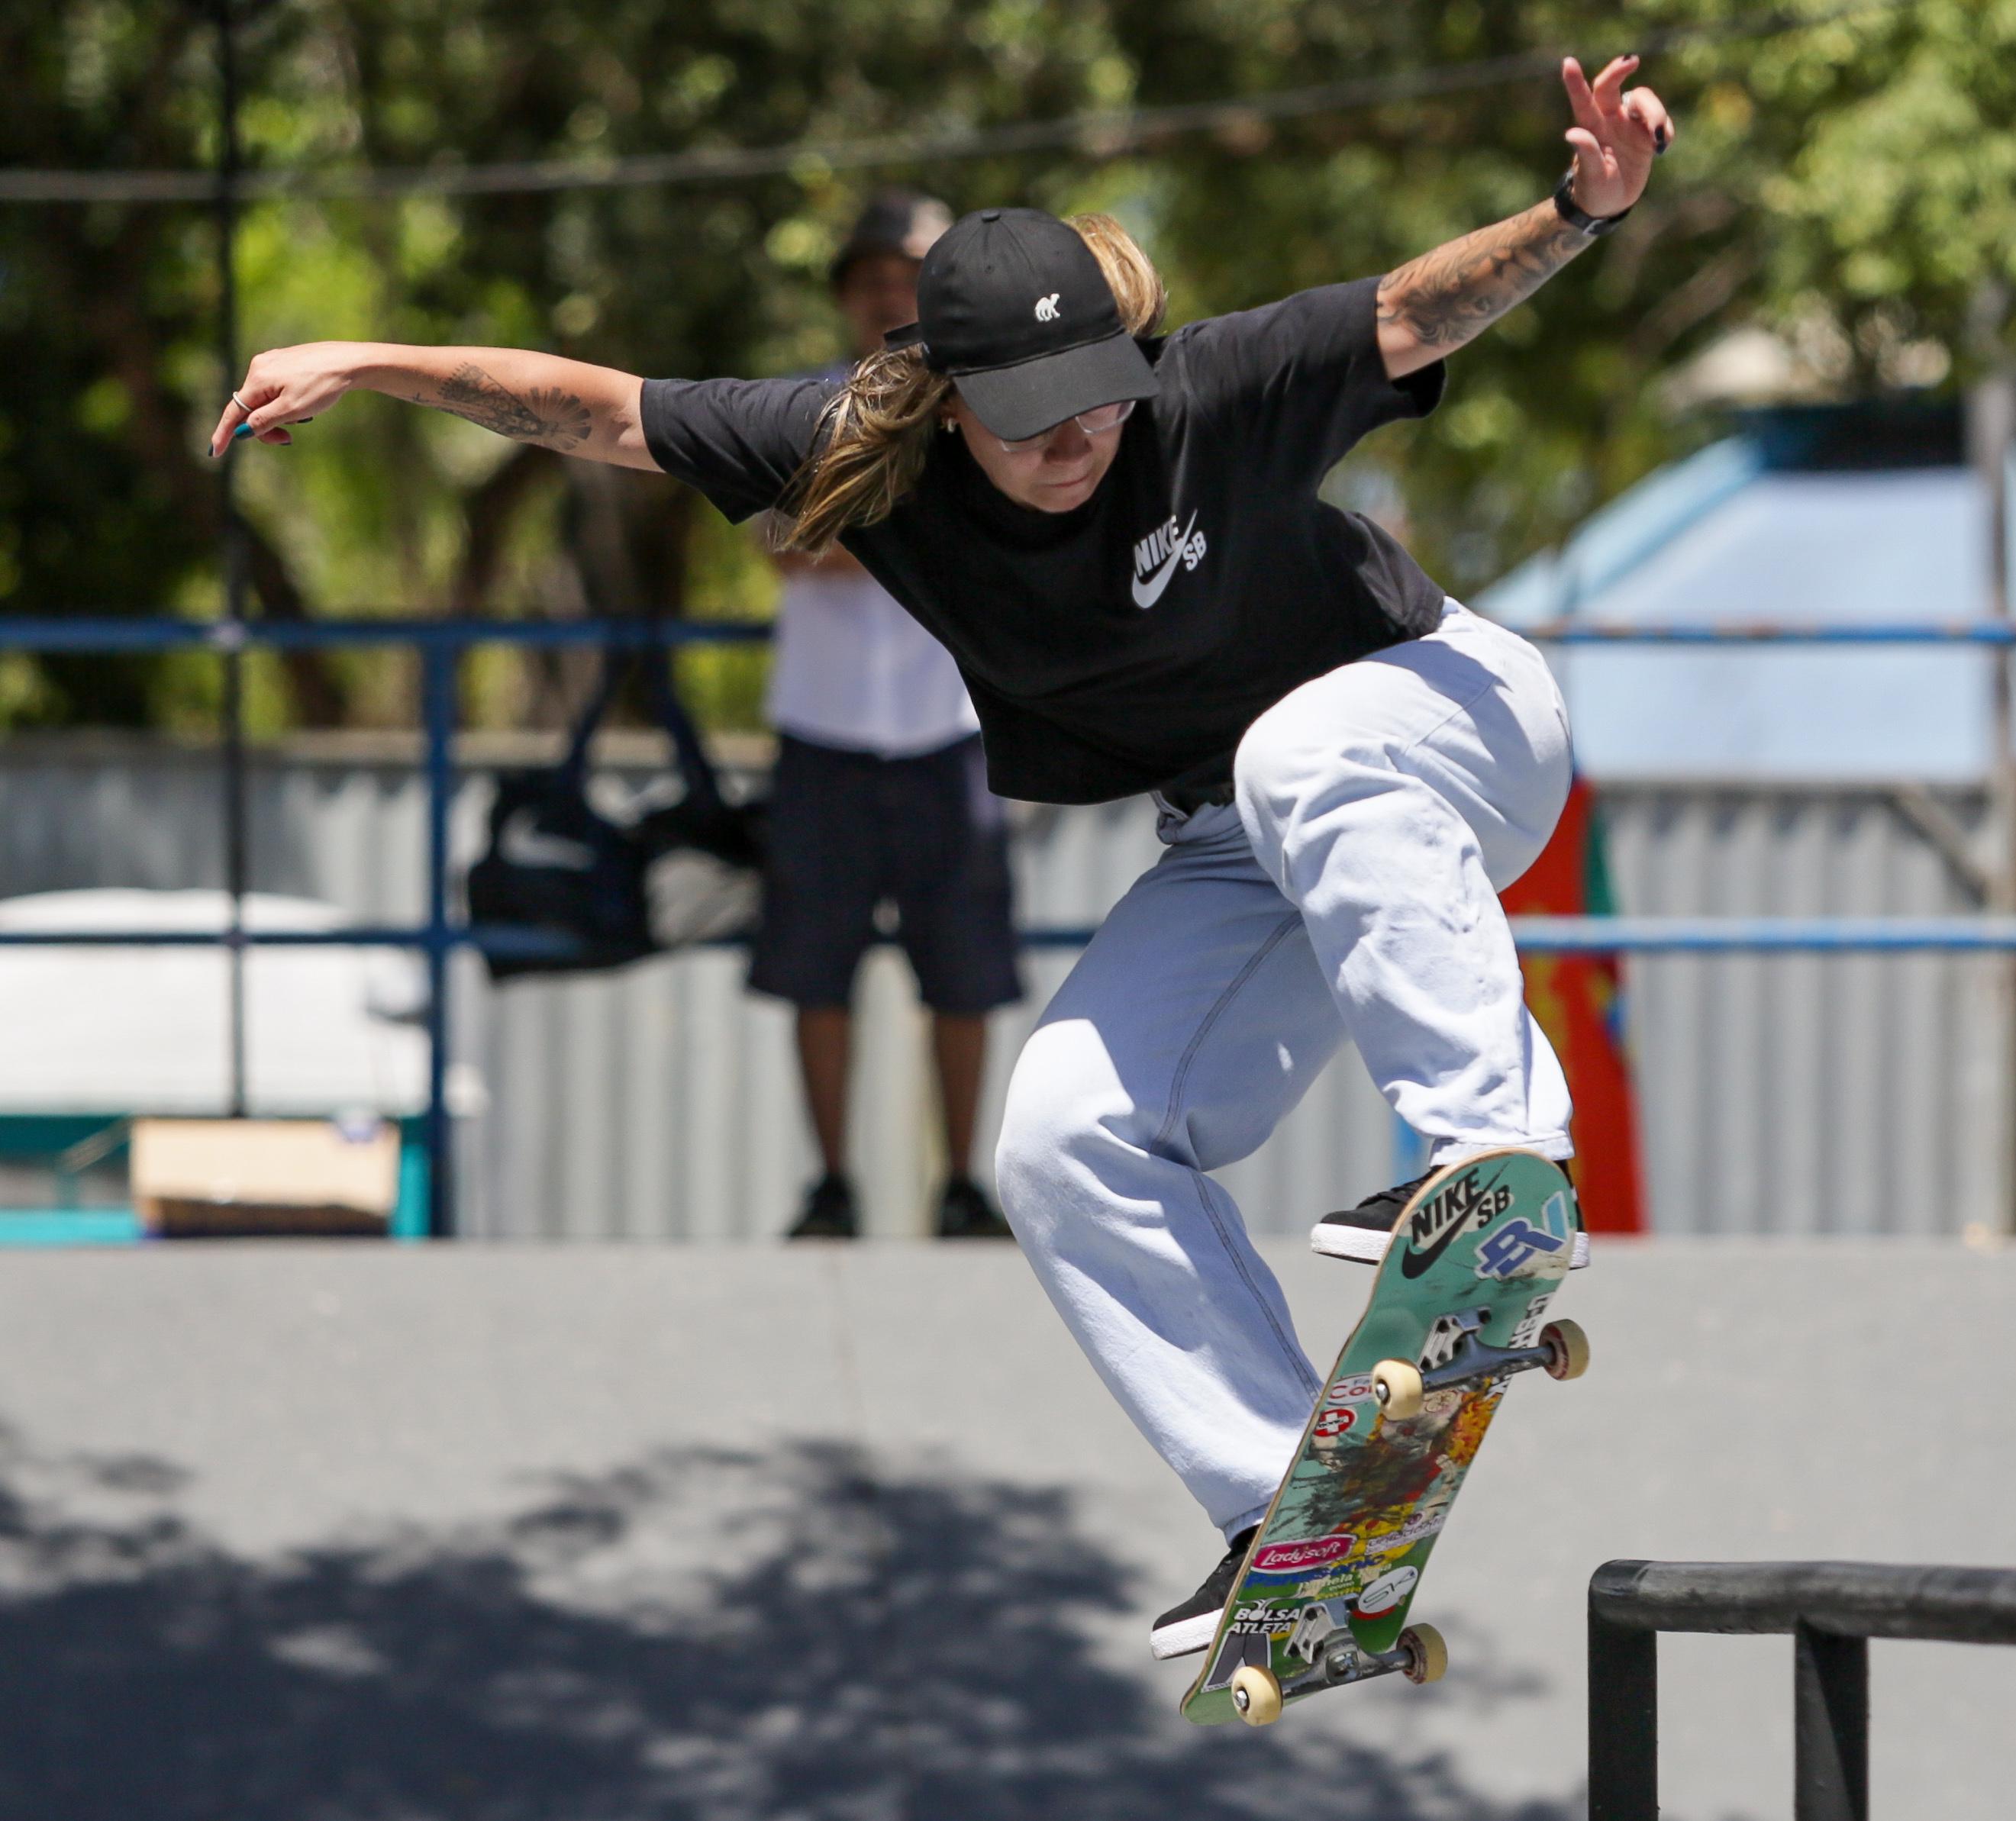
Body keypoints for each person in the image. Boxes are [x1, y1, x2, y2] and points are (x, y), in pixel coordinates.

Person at [213, 53, 1675, 1658]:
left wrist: (1576, 211)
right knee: (1055, 1134)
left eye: (1104, 401)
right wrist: (370, 359)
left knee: (1299, 745)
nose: (1088, 442)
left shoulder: (1208, 390)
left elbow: (1415, 308)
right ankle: (1302, 1518)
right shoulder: (857, 442)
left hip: (1447, 719)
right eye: (1041, 424)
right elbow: (598, 409)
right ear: (950, 401)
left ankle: (1491, 1157)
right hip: (1246, 834)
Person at [761, 192, 1023, 1242]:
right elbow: (779, 539)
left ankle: (958, 1180)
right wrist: (906, 528)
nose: (889, 293)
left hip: (950, 730)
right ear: (844, 296)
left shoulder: (992, 401)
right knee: (811, 969)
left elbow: (998, 537)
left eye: (909, 272)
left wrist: (854, 526)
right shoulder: (801, 404)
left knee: (963, 972)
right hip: (822, 729)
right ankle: (833, 1181)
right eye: (871, 277)